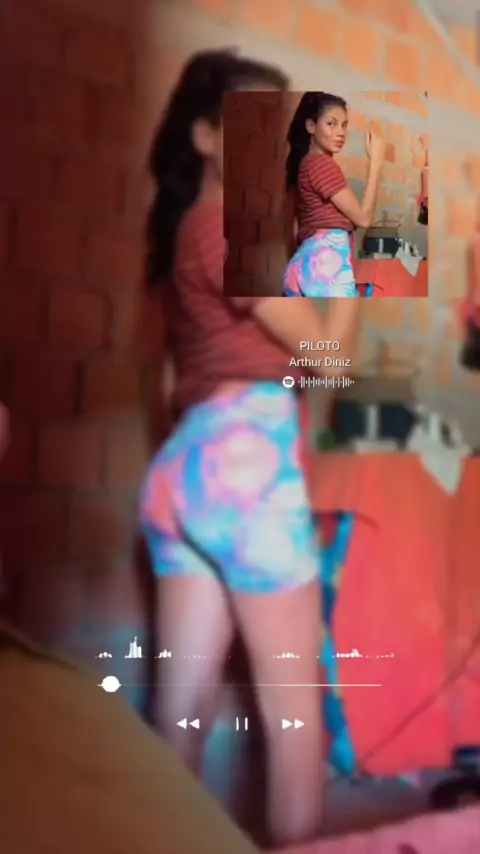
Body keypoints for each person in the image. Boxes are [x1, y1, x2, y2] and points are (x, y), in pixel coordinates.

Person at [139, 49, 360, 848]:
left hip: (184, 472)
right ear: (206, 136)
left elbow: (172, 384)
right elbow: (330, 360)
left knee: (178, 719)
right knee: (296, 721)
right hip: (249, 469)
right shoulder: (237, 230)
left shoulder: (186, 233)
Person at [283, 91, 385, 298]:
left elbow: (293, 227)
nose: (341, 132)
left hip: (305, 264)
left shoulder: (305, 164)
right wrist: (376, 162)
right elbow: (363, 219)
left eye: (344, 125)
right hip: (327, 263)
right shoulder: (321, 164)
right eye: (331, 124)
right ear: (311, 126)